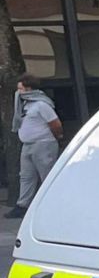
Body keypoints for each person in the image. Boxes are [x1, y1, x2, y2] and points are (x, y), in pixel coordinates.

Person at [9, 76, 63, 218]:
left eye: (20, 88)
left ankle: (53, 204)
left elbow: (55, 124)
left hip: (43, 143)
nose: (18, 92)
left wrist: (57, 138)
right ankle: (23, 205)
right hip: (27, 145)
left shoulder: (41, 104)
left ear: (28, 89)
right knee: (26, 176)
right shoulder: (24, 105)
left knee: (47, 174)